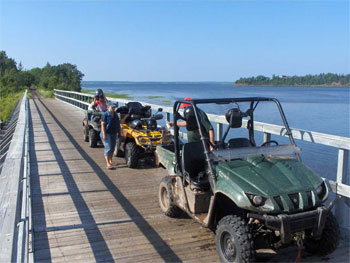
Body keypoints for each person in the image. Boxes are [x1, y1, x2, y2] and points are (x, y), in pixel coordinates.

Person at [100, 101, 121, 170]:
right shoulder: (105, 114)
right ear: (108, 107)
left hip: (113, 133)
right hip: (107, 133)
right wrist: (104, 135)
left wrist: (118, 132)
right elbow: (102, 125)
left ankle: (111, 161)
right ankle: (108, 163)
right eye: (112, 107)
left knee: (112, 147)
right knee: (108, 148)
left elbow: (118, 123)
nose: (113, 108)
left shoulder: (115, 114)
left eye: (114, 107)